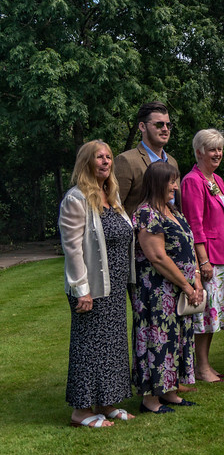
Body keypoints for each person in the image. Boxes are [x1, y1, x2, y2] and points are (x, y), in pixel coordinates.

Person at [59, 140, 135, 428]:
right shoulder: (76, 199)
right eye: (98, 157)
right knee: (88, 347)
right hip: (90, 288)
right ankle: (81, 410)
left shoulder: (111, 197)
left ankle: (107, 402)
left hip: (113, 287)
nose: (105, 161)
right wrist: (82, 289)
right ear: (86, 163)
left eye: (108, 157)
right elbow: (73, 248)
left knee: (113, 346)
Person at [131, 161, 203, 413]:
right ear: (157, 183)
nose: (176, 186)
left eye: (176, 180)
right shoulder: (146, 214)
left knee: (176, 339)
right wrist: (186, 285)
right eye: (171, 181)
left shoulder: (174, 211)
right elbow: (157, 257)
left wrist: (196, 281)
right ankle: (150, 399)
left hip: (179, 290)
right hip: (156, 291)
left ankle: (170, 391)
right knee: (156, 339)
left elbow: (188, 248)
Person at [181, 129, 224, 382]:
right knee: (204, 314)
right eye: (212, 149)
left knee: (213, 314)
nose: (217, 153)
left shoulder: (215, 179)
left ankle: (205, 365)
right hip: (209, 258)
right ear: (199, 152)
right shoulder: (192, 181)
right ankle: (201, 367)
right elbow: (194, 224)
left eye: (219, 149)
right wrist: (203, 260)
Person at [114, 101, 180, 217]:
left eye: (168, 125)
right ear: (142, 126)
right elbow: (115, 208)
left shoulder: (172, 162)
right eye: (159, 125)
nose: (165, 129)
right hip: (141, 233)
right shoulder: (126, 161)